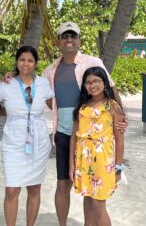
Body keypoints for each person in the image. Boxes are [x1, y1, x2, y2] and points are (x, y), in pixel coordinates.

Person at [43, 21, 126, 226]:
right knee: (64, 185)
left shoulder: (92, 62)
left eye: (73, 36)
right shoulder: (50, 70)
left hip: (95, 145)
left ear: (79, 40)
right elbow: (47, 99)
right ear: (58, 41)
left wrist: (121, 117)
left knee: (93, 195)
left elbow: (111, 89)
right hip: (66, 136)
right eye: (64, 36)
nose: (69, 40)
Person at [0, 45, 54, 226]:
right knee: (12, 190)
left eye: (30, 60)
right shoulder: (6, 84)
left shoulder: (43, 83)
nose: (25, 63)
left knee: (35, 187)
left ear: (35, 63)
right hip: (13, 142)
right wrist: (15, 116)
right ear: (17, 62)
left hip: (39, 141)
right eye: (22, 59)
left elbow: (55, 108)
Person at [69, 66, 125, 226]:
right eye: (88, 82)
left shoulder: (113, 107)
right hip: (83, 162)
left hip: (103, 162)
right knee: (87, 200)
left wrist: (119, 167)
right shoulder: (82, 106)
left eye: (96, 81)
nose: (92, 85)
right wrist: (71, 165)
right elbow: (74, 137)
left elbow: (120, 140)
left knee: (98, 204)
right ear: (84, 86)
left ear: (105, 83)